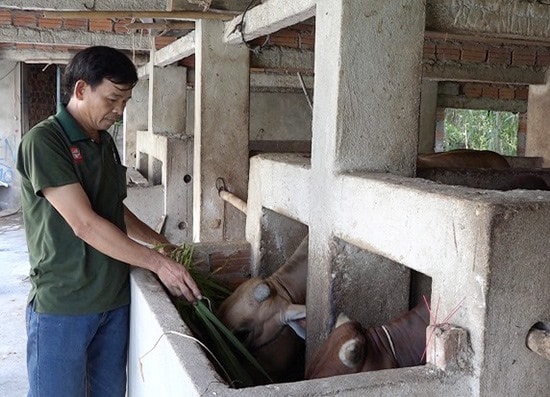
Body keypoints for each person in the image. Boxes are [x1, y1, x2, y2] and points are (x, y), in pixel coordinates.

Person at [16, 46, 202, 397]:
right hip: (65, 305)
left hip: (113, 301)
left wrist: (162, 245)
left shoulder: (102, 141)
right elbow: (84, 223)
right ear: (82, 89)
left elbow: (113, 210)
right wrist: (157, 263)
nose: (119, 111)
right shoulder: (45, 141)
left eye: (126, 101)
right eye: (113, 99)